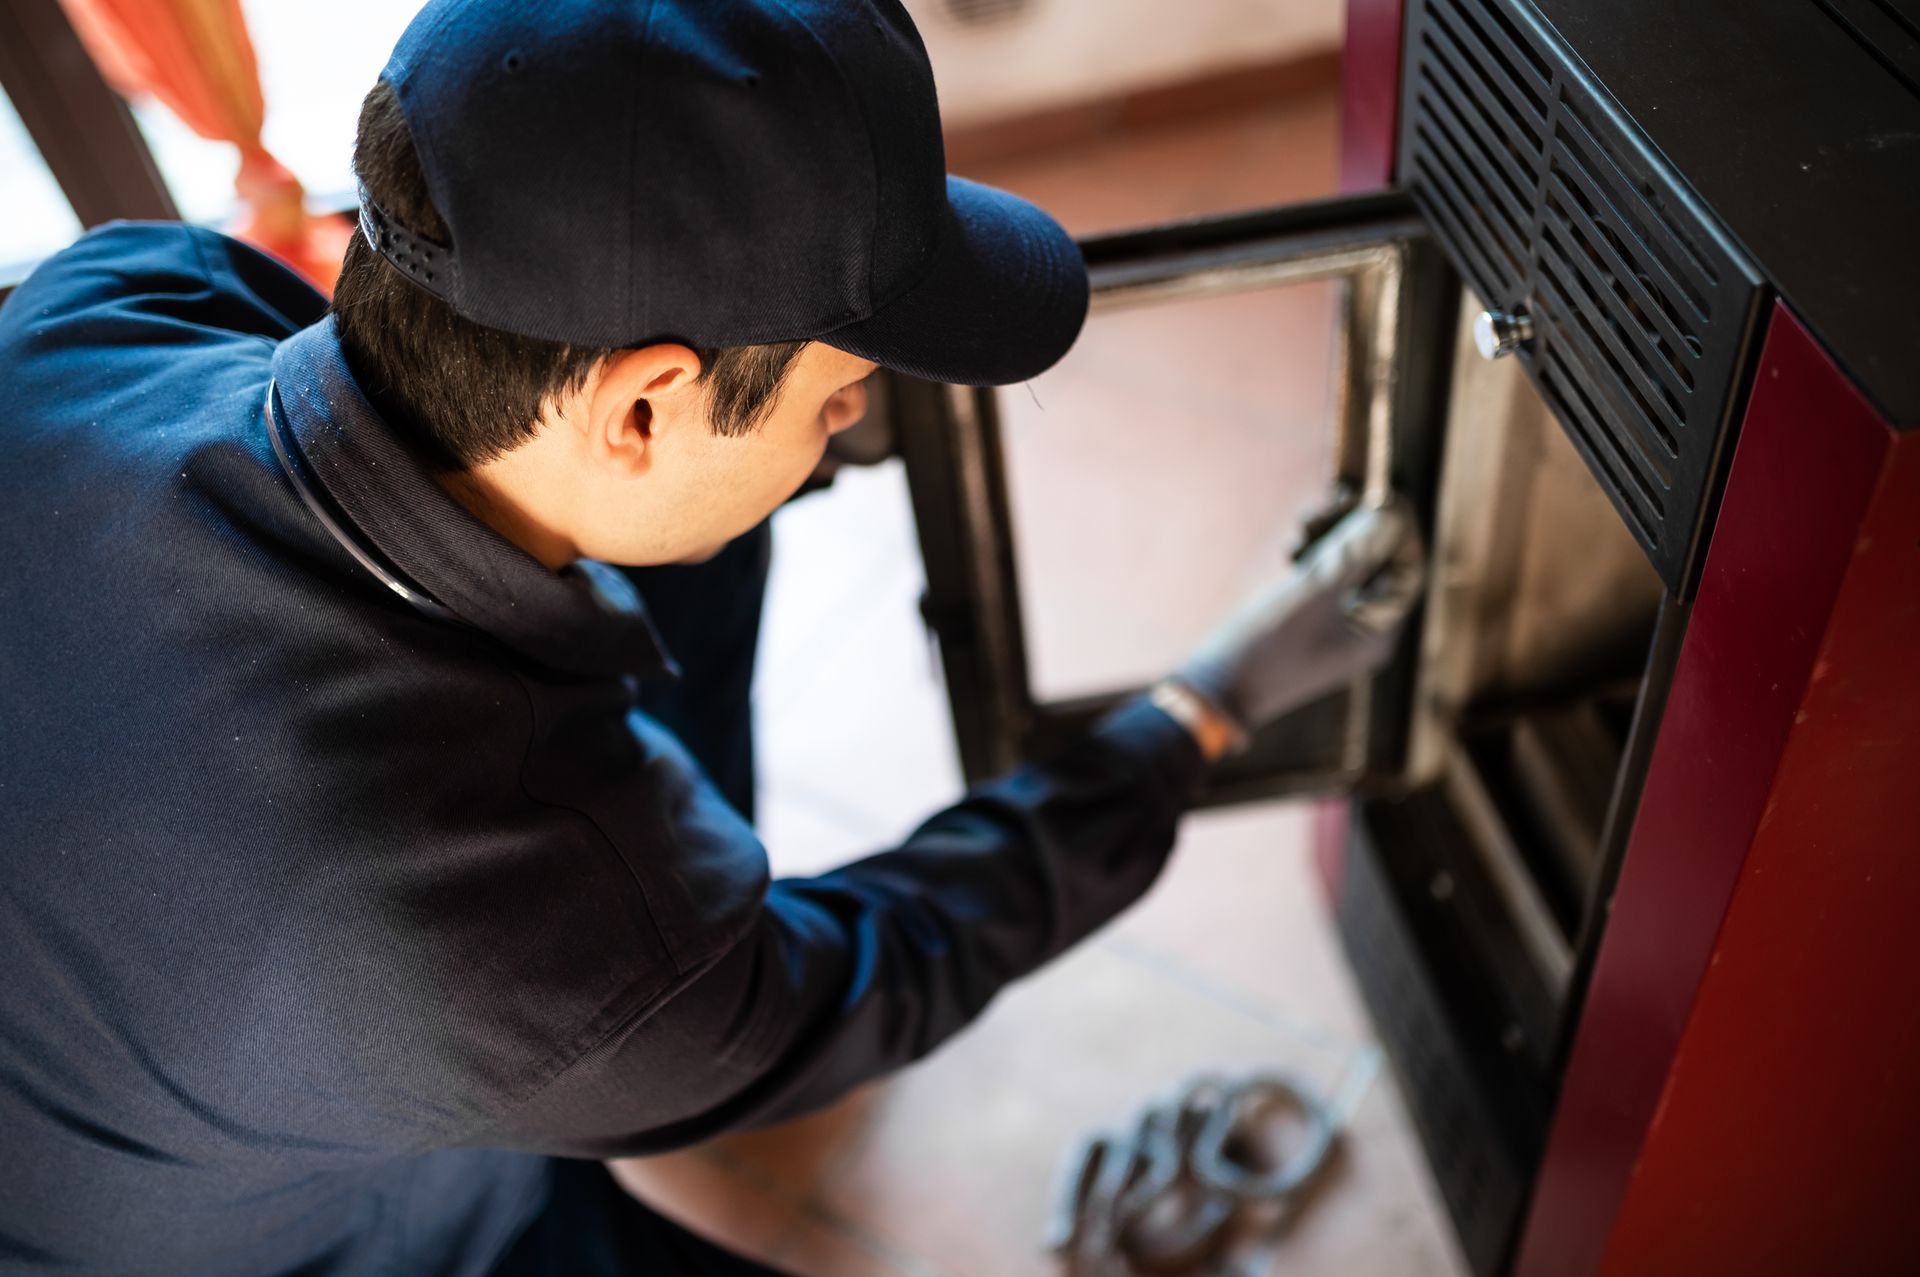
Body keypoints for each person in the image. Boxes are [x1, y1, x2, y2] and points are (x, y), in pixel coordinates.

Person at [0, 1, 1420, 1273]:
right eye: (838, 392)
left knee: (712, 557)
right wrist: (1195, 720)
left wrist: (770, 447)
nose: (852, 417)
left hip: (103, 995)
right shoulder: (524, 932)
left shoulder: (110, 306)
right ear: (636, 409)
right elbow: (882, 962)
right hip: (303, 1241)